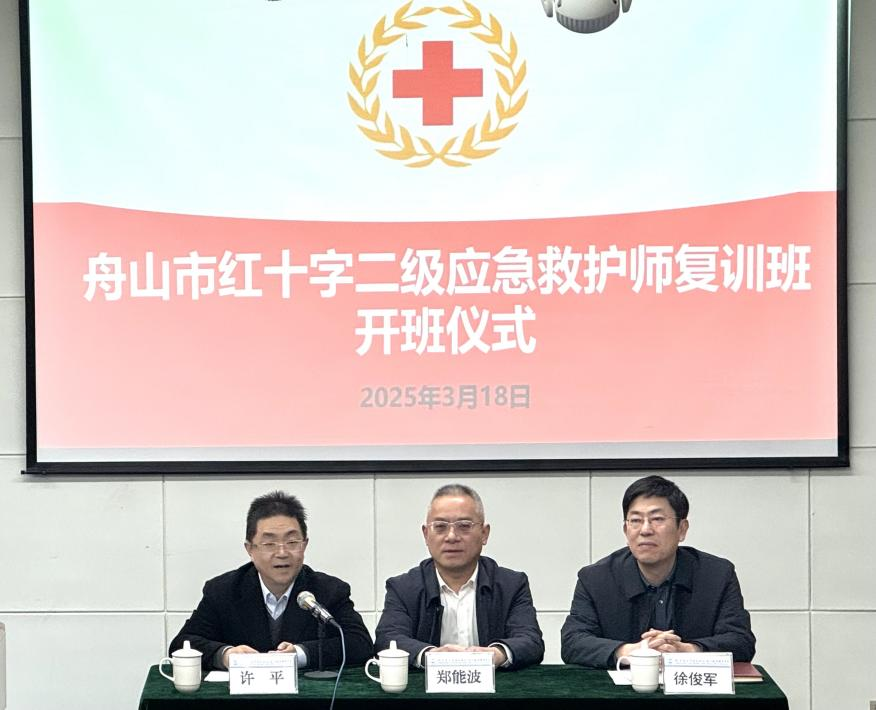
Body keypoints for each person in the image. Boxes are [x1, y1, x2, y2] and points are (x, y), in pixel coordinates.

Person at [561, 475, 756, 669]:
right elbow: (572, 642)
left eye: (657, 519)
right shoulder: (596, 579)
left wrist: (687, 651)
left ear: (682, 529)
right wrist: (631, 652)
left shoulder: (717, 576)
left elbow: (741, 641)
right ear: (626, 530)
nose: (645, 530)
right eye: (635, 520)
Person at [169, 491, 373, 670]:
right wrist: (224, 655)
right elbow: (182, 644)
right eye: (269, 544)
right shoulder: (224, 591)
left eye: (292, 542)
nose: (282, 553)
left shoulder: (329, 590)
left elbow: (360, 644)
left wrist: (300, 654)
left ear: (304, 545)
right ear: (250, 549)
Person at [374, 483, 544, 670]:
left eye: (464, 526)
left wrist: (497, 654)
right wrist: (431, 656)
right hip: (426, 689)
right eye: (440, 526)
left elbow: (531, 641)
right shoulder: (403, 588)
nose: (452, 536)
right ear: (426, 535)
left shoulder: (511, 585)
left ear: (484, 534)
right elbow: (388, 639)